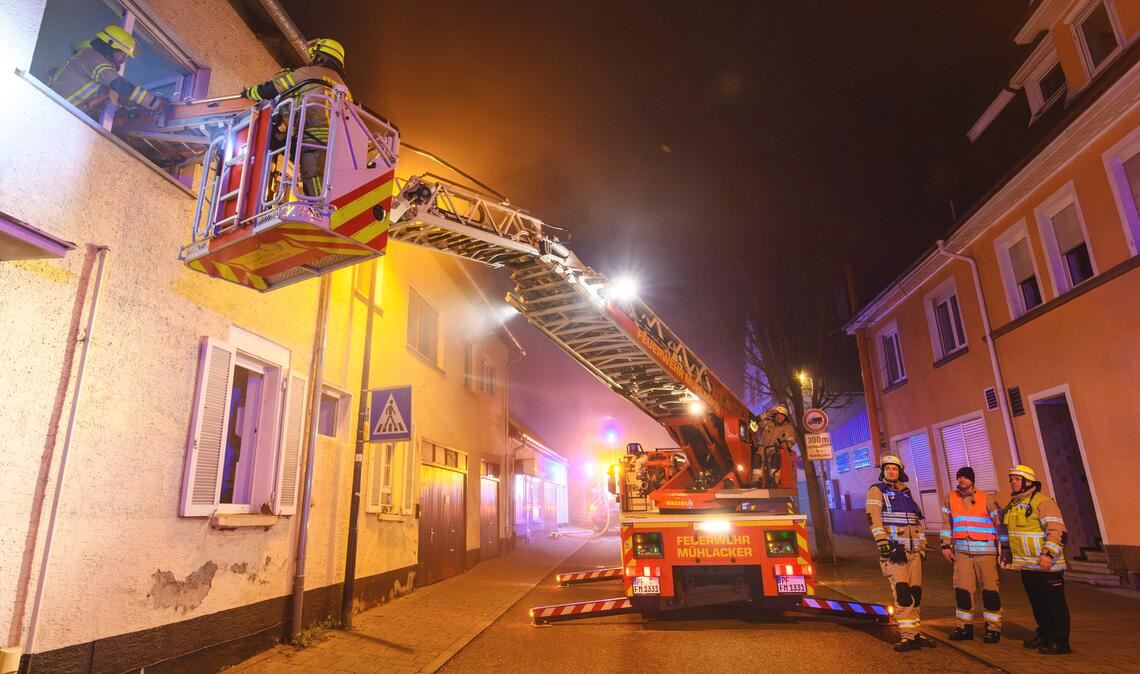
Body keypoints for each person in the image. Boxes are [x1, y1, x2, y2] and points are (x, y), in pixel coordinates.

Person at [241, 38, 349, 197]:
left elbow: (271, 90)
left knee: (316, 189)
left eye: (315, 56)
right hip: (340, 146)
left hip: (314, 142)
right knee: (331, 187)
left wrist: (248, 94)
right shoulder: (346, 91)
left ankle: (324, 214)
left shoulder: (309, 73)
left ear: (320, 57)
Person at [866, 455, 934, 652]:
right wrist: (883, 543)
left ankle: (915, 633)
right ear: (883, 471)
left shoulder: (906, 492)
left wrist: (922, 546)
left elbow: (916, 522)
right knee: (903, 593)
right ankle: (907, 637)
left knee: (915, 594)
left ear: (900, 471)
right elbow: (873, 517)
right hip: (895, 551)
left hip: (913, 552)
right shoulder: (877, 490)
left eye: (894, 468)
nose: (891, 471)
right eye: (887, 468)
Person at [1003, 464, 1072, 655]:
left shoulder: (1043, 502)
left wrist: (1048, 554)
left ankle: (1061, 641)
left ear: (1028, 481)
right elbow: (1011, 532)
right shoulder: (1015, 504)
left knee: (1055, 604)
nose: (1013, 482)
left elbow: (1057, 530)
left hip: (1048, 565)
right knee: (1038, 603)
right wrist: (1007, 552)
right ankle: (1045, 634)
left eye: (1016, 479)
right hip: (1029, 566)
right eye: (1011, 479)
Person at [940, 466, 1006, 643]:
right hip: (961, 553)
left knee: (990, 591)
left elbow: (1000, 524)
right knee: (962, 591)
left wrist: (1005, 546)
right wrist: (945, 545)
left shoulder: (986, 498)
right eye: (959, 477)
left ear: (972, 480)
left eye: (965, 477)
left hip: (985, 552)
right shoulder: (950, 498)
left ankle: (993, 629)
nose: (962, 480)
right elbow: (947, 524)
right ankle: (964, 627)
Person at [47, 25, 166, 116]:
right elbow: (120, 86)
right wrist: (156, 103)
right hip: (53, 109)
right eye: (122, 54)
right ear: (109, 46)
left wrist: (141, 105)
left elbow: (117, 95)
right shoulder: (93, 58)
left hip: (59, 112)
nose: (123, 60)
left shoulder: (97, 71)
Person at [754, 404, 794, 488]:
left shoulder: (789, 428)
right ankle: (757, 481)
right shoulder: (768, 423)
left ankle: (773, 481)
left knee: (774, 460)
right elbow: (755, 422)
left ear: (785, 417)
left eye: (781, 415)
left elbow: (791, 440)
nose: (778, 417)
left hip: (776, 449)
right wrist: (767, 414)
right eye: (776, 415)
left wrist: (786, 443)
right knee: (757, 458)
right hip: (763, 448)